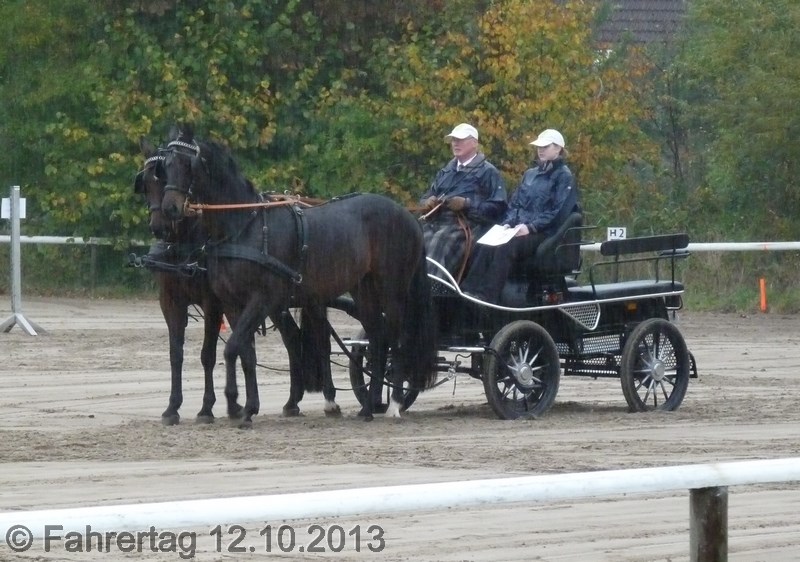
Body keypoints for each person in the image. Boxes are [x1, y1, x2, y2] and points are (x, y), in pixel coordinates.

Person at [461, 128, 580, 303]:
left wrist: (531, 227)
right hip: (519, 228)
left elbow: (558, 212)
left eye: (545, 147)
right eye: (539, 147)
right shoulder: (530, 174)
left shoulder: (564, 176)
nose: (540, 150)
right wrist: (508, 223)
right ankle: (468, 291)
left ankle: (487, 297)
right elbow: (515, 203)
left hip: (546, 234)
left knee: (506, 247)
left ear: (558, 149)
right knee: (485, 241)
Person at [420, 123, 507, 282]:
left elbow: (498, 208)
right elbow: (428, 194)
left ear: (474, 143)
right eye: (454, 140)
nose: (455, 143)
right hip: (437, 222)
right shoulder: (446, 170)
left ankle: (433, 288)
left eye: (460, 140)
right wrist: (427, 201)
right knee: (414, 237)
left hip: (467, 225)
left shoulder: (488, 172)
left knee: (440, 241)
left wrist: (467, 204)